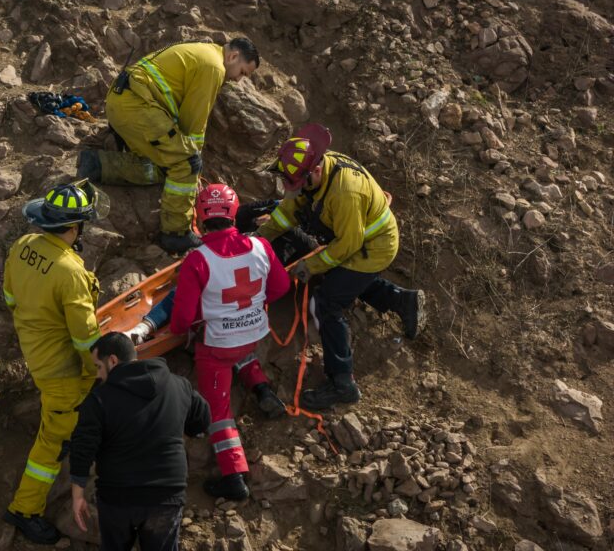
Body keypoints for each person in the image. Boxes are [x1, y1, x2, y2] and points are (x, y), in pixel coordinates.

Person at [125, 183, 291, 500]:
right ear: (234, 213)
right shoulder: (260, 246)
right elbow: (281, 287)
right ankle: (261, 387)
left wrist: (200, 317)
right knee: (238, 346)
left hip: (219, 348)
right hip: (254, 332)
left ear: (201, 218)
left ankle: (234, 476)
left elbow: (182, 321)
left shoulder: (197, 261)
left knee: (218, 410)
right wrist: (252, 305)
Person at [258, 123, 427, 411]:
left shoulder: (345, 192)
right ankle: (403, 301)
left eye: (299, 183)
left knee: (327, 302)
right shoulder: (311, 169)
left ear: (316, 170)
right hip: (355, 240)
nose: (295, 188)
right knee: (343, 278)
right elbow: (289, 212)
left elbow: (347, 246)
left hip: (373, 247)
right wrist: (256, 241)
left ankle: (342, 382)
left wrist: (309, 267)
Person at [77, 38, 261, 254]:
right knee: (186, 164)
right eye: (242, 73)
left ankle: (99, 165)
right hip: (138, 108)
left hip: (125, 104)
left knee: (166, 165)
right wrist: (193, 166)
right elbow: (193, 124)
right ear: (232, 57)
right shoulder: (213, 67)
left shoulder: (204, 52)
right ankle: (176, 234)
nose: (238, 80)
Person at [1, 180, 108, 544]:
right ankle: (24, 509)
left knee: (66, 418)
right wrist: (102, 368)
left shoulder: (23, 246)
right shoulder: (70, 271)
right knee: (50, 442)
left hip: (35, 351)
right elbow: (85, 340)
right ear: (75, 227)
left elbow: (11, 298)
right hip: (61, 372)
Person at [69, 332, 211, 551]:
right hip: (166, 496)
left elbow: (83, 445)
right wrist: (184, 427)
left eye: (98, 366)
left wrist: (77, 494)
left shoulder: (99, 397)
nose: (98, 374)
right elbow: (203, 418)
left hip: (118, 496)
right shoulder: (178, 385)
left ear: (113, 360)